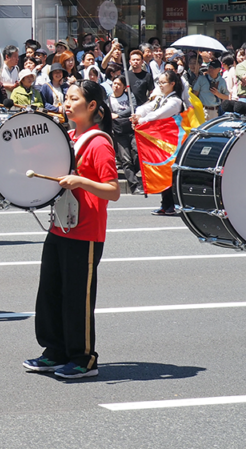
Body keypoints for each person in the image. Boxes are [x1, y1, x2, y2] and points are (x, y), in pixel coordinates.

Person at [23, 79, 119, 379]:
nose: (67, 103)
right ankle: (55, 351)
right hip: (60, 225)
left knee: (77, 298)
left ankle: (83, 358)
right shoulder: (67, 138)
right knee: (50, 292)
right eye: (66, 97)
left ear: (92, 106)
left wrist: (81, 181)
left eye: (74, 99)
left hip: (86, 231)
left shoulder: (99, 142)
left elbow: (113, 190)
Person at [132, 70, 185, 216]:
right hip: (162, 142)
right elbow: (146, 108)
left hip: (172, 142)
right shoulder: (161, 98)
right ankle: (165, 204)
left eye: (163, 83)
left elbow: (158, 115)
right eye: (159, 82)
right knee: (162, 172)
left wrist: (141, 120)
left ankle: (172, 204)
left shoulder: (175, 101)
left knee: (169, 173)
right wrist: (138, 114)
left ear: (172, 84)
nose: (160, 85)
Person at [107, 76, 140, 195]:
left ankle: (133, 171)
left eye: (119, 84)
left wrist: (119, 115)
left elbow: (133, 108)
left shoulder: (129, 96)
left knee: (138, 153)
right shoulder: (108, 99)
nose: (116, 86)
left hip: (131, 129)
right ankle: (134, 186)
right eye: (114, 83)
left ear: (124, 87)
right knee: (126, 159)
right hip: (119, 132)